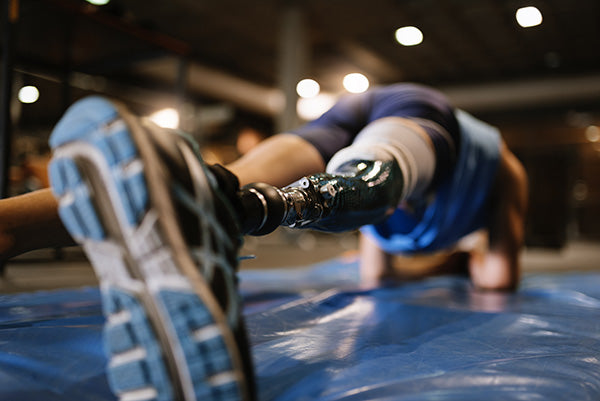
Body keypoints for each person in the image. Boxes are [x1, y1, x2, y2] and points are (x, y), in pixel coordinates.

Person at [0, 83, 527, 401]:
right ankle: (235, 215)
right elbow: (498, 277)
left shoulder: (406, 225)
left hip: (352, 115)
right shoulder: (507, 172)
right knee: (375, 180)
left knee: (224, 179)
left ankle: (10, 227)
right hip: (420, 115)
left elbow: (376, 275)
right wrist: (456, 261)